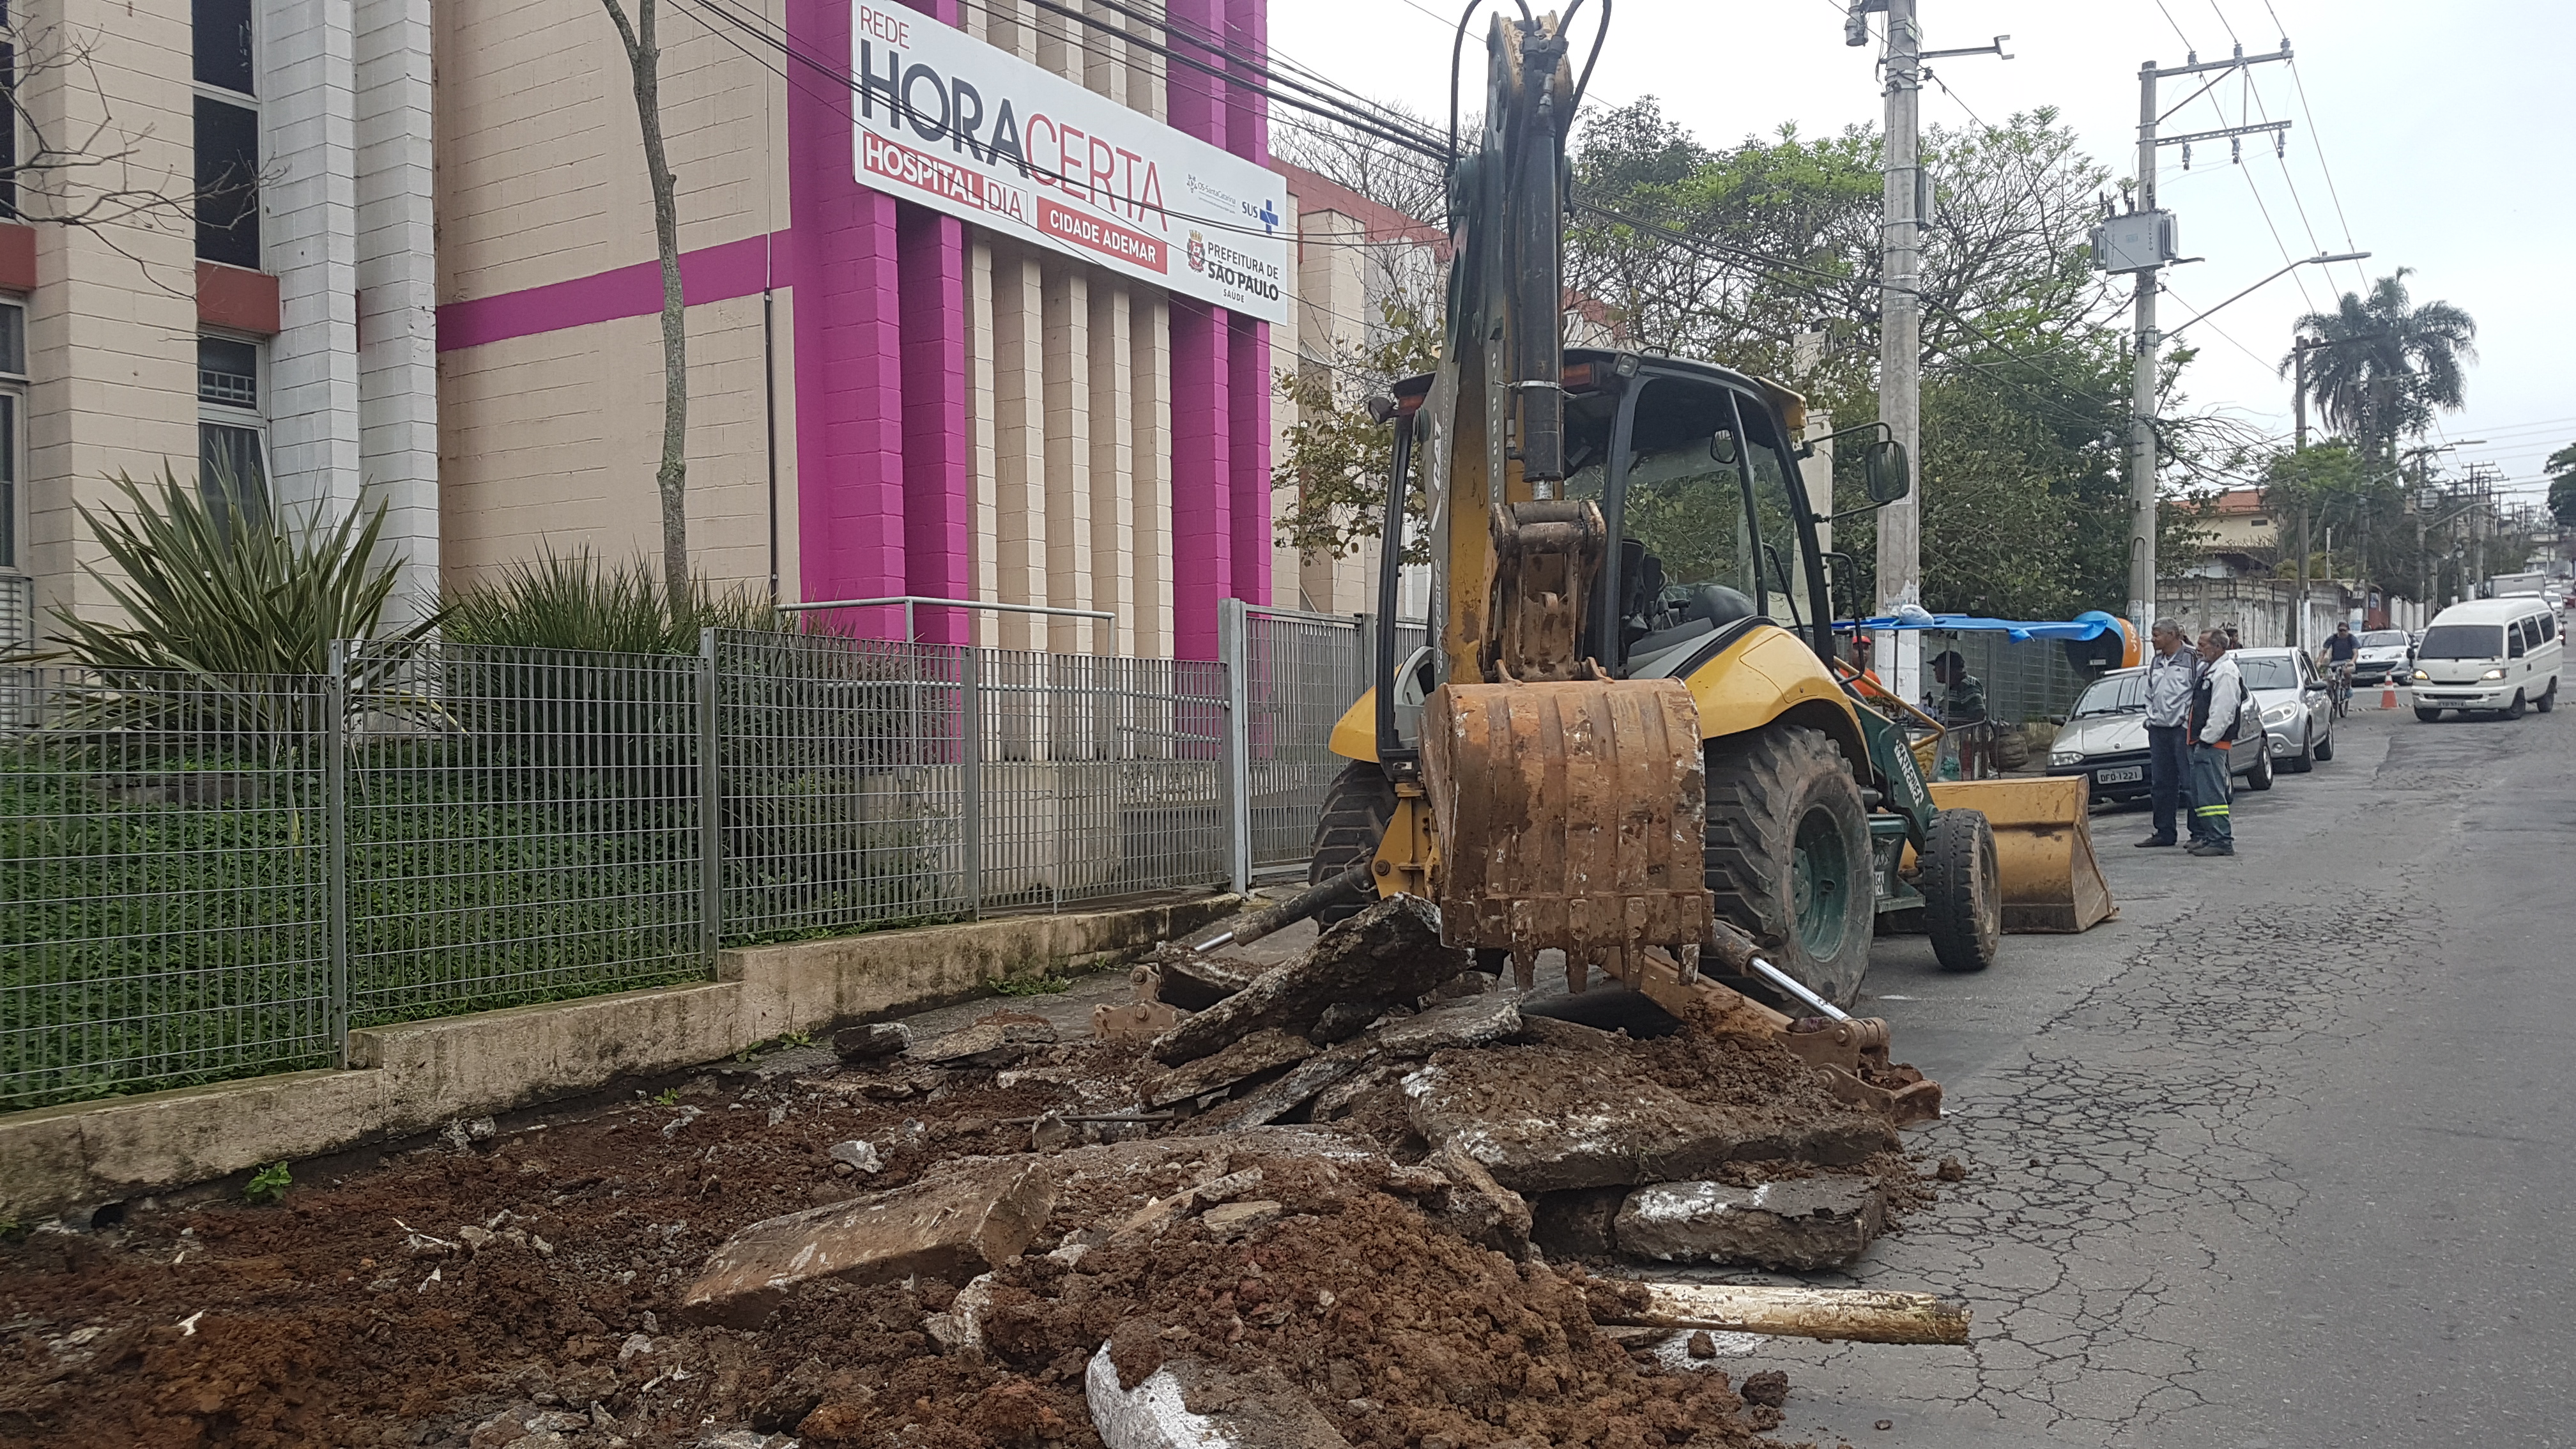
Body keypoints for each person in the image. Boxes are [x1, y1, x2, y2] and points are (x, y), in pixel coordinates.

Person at [2136, 618, 2199, 848]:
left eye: (2157, 635)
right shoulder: (2156, 661)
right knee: (2161, 783)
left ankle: (2198, 833)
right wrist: (2151, 718)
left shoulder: (2192, 658)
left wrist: (2185, 721)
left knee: (2190, 783)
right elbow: (2150, 693)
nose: (2153, 639)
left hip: (2181, 731)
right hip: (2159, 730)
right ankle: (2164, 831)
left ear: (2173, 635)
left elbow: (2196, 694)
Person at [2187, 627, 2249, 858]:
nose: (2198, 649)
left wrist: (2206, 739)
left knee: (2212, 795)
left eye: (2203, 645)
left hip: (2212, 744)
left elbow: (2222, 712)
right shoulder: (2210, 670)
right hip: (2202, 742)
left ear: (2219, 647)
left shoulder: (2225, 672)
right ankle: (2210, 836)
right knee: (2203, 795)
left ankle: (2221, 839)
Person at [1929, 649, 1991, 777]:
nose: (1934, 671)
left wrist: (1951, 723)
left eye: (1937, 667)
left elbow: (1979, 715)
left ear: (1949, 669)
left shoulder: (1967, 686)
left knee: (1962, 775)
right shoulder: (1950, 687)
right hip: (1953, 742)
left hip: (1966, 744)